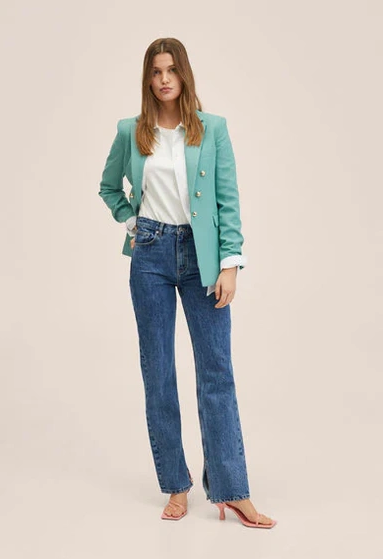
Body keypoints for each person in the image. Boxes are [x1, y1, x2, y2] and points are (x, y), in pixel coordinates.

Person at [98, 37, 277, 528]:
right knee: (158, 372)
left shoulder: (212, 128)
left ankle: (232, 490)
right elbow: (109, 187)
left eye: (171, 70)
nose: (164, 79)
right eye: (156, 71)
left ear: (184, 74)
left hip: (204, 260)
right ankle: (176, 485)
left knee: (217, 372)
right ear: (147, 78)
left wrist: (230, 263)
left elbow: (227, 200)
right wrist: (132, 222)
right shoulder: (131, 131)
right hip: (151, 255)